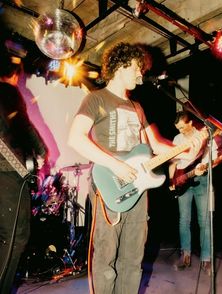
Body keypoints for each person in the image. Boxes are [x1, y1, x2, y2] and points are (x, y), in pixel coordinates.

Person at [68, 42, 183, 294]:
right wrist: (115, 164)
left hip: (137, 189)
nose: (140, 76)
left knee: (133, 259)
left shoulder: (137, 107)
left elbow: (152, 147)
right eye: (136, 69)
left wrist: (187, 148)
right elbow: (75, 137)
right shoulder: (96, 98)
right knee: (106, 256)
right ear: (121, 66)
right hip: (109, 184)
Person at [0, 53, 48, 294]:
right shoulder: (7, 91)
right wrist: (42, 152)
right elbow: (24, 125)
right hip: (8, 172)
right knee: (16, 236)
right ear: (14, 75)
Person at [168, 111, 222, 276]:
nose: (181, 132)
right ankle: (186, 256)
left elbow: (216, 158)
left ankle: (206, 259)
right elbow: (172, 161)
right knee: (184, 220)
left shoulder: (204, 136)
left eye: (183, 128)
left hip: (202, 179)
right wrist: (173, 177)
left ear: (191, 123)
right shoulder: (178, 139)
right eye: (178, 129)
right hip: (183, 181)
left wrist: (206, 166)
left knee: (204, 221)